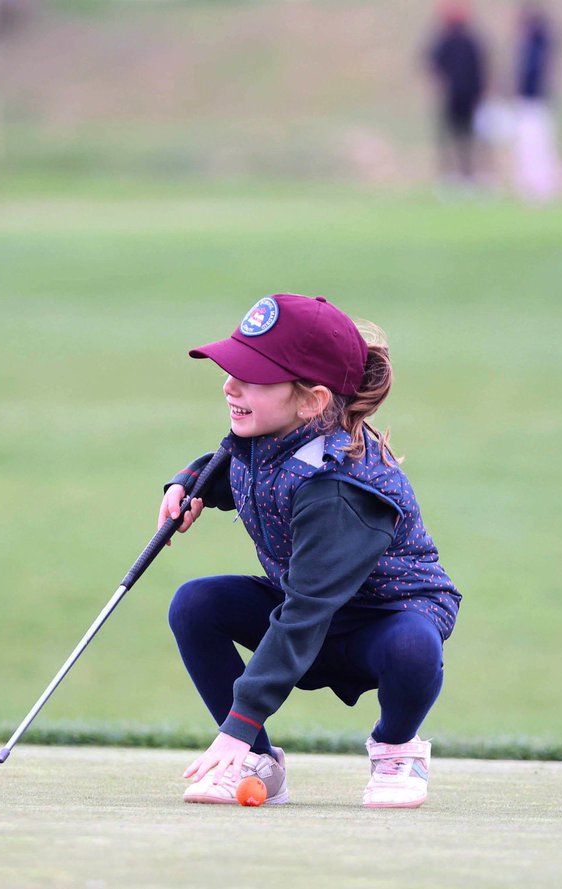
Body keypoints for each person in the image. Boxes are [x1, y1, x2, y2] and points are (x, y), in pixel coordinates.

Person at [158, 293, 461, 808]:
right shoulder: (269, 435)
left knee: (414, 646)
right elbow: (248, 474)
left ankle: (395, 748)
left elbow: (305, 611)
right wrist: (193, 483)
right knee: (195, 604)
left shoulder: (342, 490)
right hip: (307, 611)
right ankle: (255, 762)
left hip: (380, 623)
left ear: (313, 400)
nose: (229, 386)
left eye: (252, 377)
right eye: (232, 369)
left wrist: (239, 719)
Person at [425, 2, 488, 188]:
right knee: (454, 138)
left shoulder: (466, 41)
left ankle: (467, 175)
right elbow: (433, 63)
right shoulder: (450, 40)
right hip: (455, 97)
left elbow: (479, 69)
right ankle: (453, 176)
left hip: (466, 97)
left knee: (466, 138)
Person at [512, 2, 562, 202]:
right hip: (533, 100)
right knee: (532, 144)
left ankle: (541, 186)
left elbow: (531, 72)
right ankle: (536, 184)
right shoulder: (537, 43)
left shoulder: (537, 43)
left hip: (533, 100)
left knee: (535, 145)